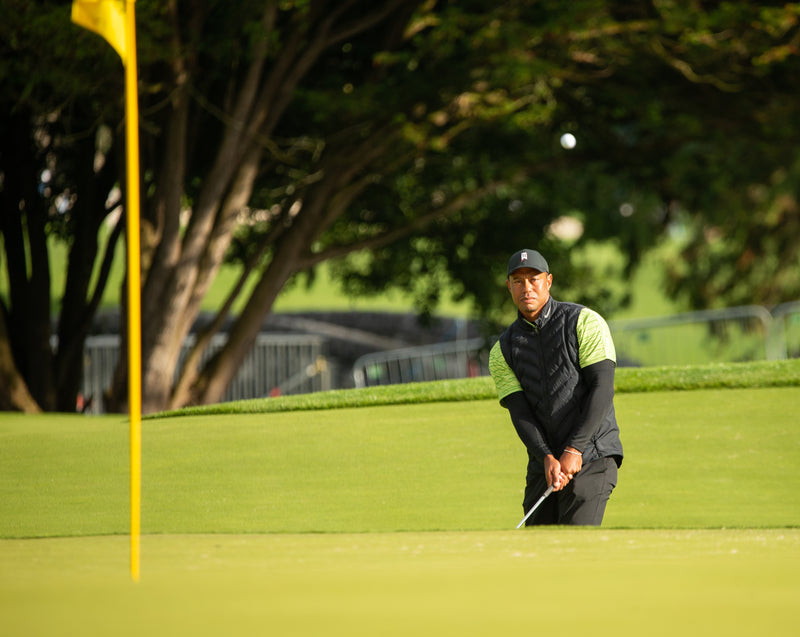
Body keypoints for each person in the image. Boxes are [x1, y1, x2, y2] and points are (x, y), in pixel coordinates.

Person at [489, 249, 623, 525]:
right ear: (509, 286)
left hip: (592, 455)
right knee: (538, 553)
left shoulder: (584, 322)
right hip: (545, 463)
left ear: (548, 281)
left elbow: (602, 388)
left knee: (575, 547)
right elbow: (520, 412)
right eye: (518, 281)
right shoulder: (502, 350)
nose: (527, 287)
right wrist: (546, 457)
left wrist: (574, 449)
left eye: (534, 279)